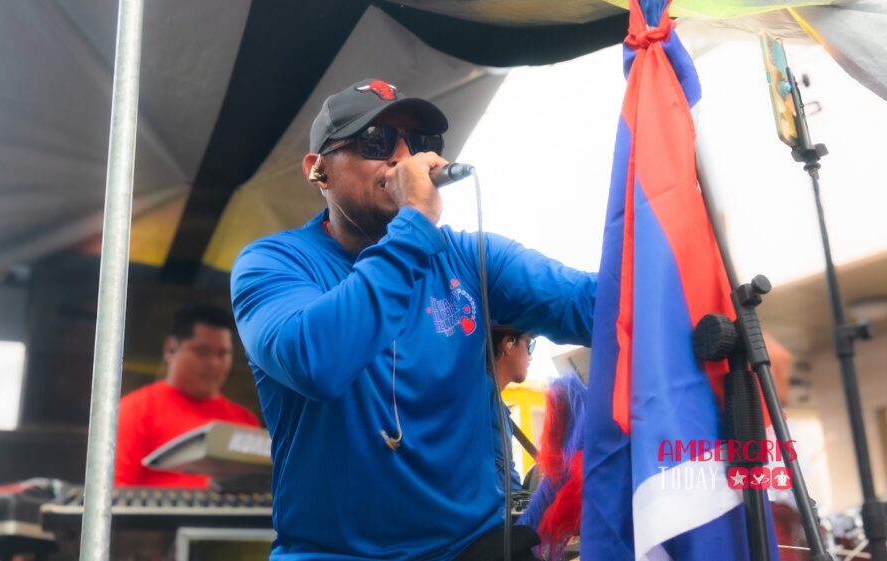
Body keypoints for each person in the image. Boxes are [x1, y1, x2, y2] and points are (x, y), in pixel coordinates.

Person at [230, 78, 597, 560]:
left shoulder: (467, 258)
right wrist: (415, 223)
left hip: (471, 549)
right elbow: (317, 360)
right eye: (376, 142)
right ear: (317, 169)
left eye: (420, 143)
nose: (403, 157)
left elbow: (595, 305)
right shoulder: (274, 264)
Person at [115, 304, 261, 488]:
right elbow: (115, 493)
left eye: (222, 353)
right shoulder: (133, 410)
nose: (213, 364)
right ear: (170, 349)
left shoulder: (245, 421)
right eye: (202, 351)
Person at [489, 325, 537, 492]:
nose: (530, 356)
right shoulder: (488, 402)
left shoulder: (490, 400)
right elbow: (505, 484)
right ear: (508, 343)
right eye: (529, 344)